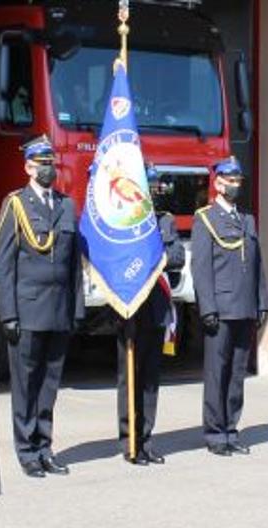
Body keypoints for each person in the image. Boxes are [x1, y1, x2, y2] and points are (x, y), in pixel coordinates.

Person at [0, 135, 82, 477]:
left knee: (50, 383)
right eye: (41, 164)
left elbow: (73, 265)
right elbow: (4, 265)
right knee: (26, 383)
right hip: (27, 310)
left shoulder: (65, 205)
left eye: (51, 163)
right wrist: (9, 313)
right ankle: (26, 450)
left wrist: (77, 309)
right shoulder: (15, 205)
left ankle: (45, 446)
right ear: (28, 166)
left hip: (58, 309)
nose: (48, 169)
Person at [191, 157, 268, 456]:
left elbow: (258, 264)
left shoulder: (247, 220)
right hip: (221, 308)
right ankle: (214, 433)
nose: (235, 186)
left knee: (237, 373)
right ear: (218, 183)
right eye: (229, 181)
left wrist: (262, 301)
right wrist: (207, 308)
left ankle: (231, 429)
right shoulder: (206, 218)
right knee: (216, 372)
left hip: (245, 306)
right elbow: (201, 268)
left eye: (238, 181)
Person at [117, 164, 182, 465]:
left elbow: (178, 256)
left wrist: (154, 258)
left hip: (156, 308)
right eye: (149, 186)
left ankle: (147, 438)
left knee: (151, 379)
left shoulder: (165, 221)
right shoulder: (124, 224)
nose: (155, 191)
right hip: (131, 309)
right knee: (130, 375)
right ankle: (129, 440)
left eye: (156, 186)